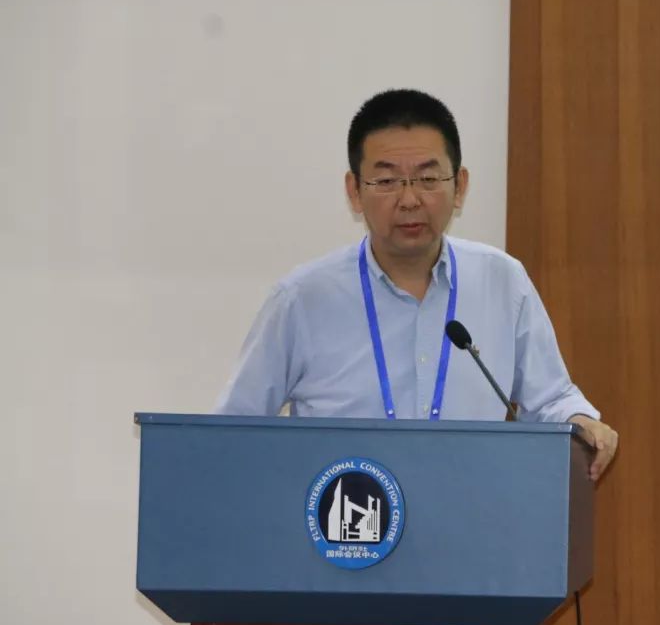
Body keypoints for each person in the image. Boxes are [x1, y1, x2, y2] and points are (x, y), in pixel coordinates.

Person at [215, 88, 618, 480]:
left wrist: (580, 419)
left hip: (472, 513)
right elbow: (232, 431)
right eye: (386, 181)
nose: (409, 200)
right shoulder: (302, 300)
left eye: (428, 178)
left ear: (459, 186)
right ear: (355, 191)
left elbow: (550, 398)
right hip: (347, 520)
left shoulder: (502, 281)